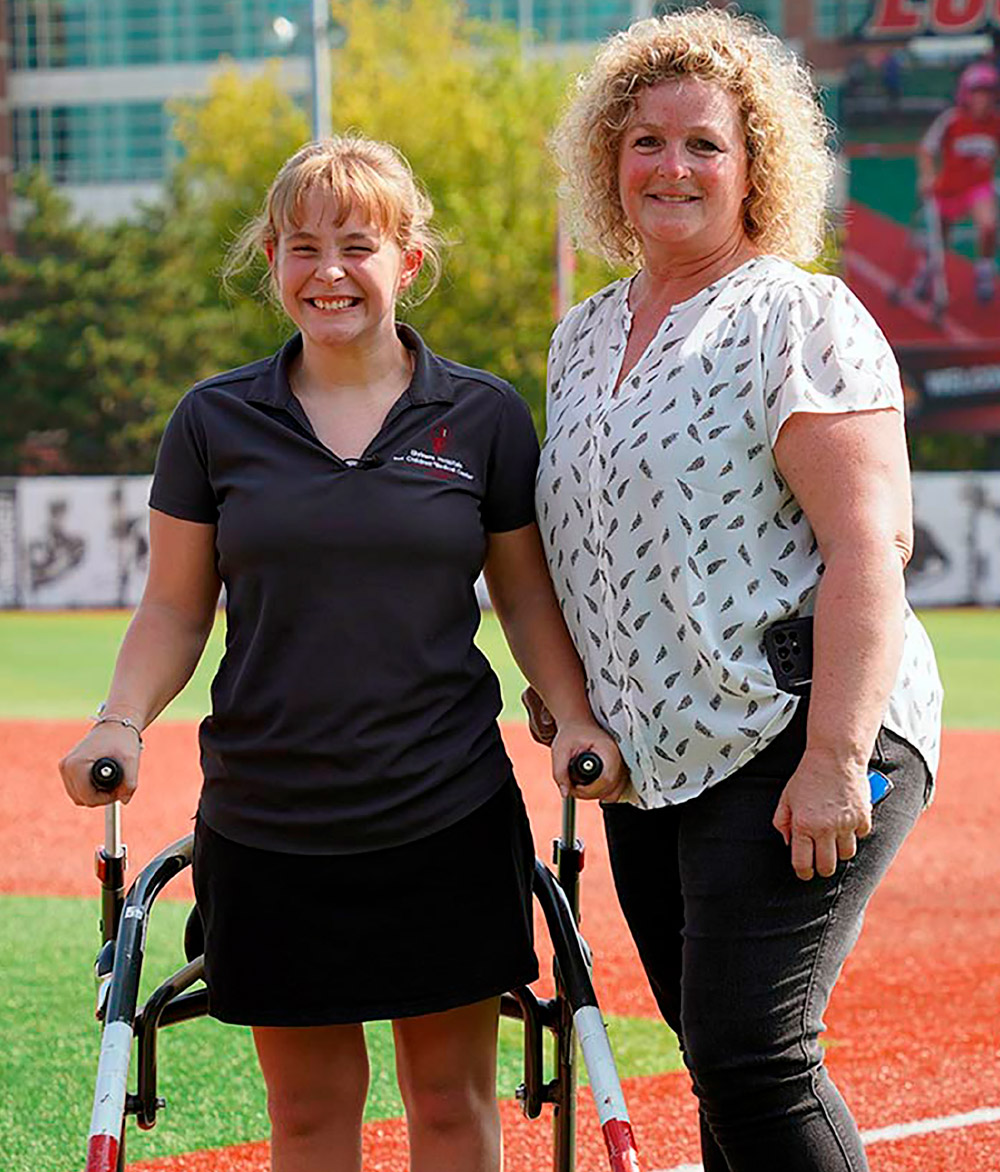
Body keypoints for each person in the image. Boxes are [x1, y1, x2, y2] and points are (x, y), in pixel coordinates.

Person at [59, 135, 624, 1172]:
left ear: (407, 261)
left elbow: (526, 594)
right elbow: (175, 609)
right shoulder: (214, 421)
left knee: (451, 1106)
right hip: (269, 817)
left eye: (356, 245)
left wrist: (573, 712)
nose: (328, 272)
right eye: (302, 246)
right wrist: (119, 718)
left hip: (444, 812)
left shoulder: (483, 415)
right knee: (312, 1119)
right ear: (271, 260)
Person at [525, 10, 943, 1172]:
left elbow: (871, 545)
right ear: (609, 159)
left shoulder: (797, 315)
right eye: (646, 140)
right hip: (658, 758)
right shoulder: (581, 336)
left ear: (757, 168)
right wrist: (568, 702)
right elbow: (585, 541)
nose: (673, 166)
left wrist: (832, 755)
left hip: (799, 732)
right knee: (714, 1052)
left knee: (755, 1052)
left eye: (705, 144)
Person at [913, 60, 1000, 304]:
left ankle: (983, 270)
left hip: (977, 187)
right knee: (939, 240)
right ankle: (927, 272)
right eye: (977, 93)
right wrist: (927, 175)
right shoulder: (952, 120)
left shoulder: (996, 123)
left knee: (988, 224)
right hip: (948, 189)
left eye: (987, 93)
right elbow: (926, 150)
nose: (982, 99)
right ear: (966, 94)